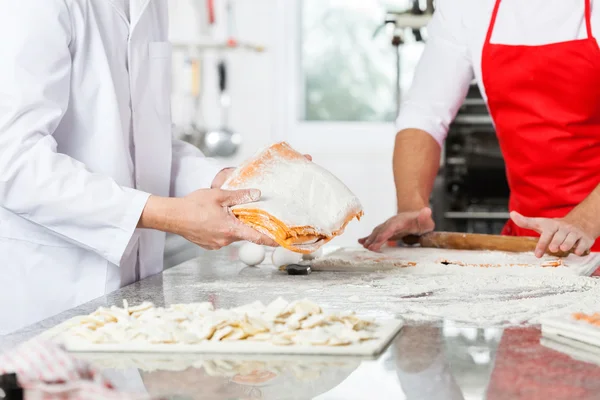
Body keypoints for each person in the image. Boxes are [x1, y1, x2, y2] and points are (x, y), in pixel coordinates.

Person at [0, 0, 276, 335]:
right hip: (52, 291)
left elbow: (145, 145)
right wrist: (165, 215)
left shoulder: (152, 6)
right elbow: (13, 159)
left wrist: (225, 182)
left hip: (133, 297)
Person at [361, 0, 600, 257]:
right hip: (533, 247)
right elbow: (424, 114)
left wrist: (585, 222)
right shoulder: (467, 6)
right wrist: (411, 207)